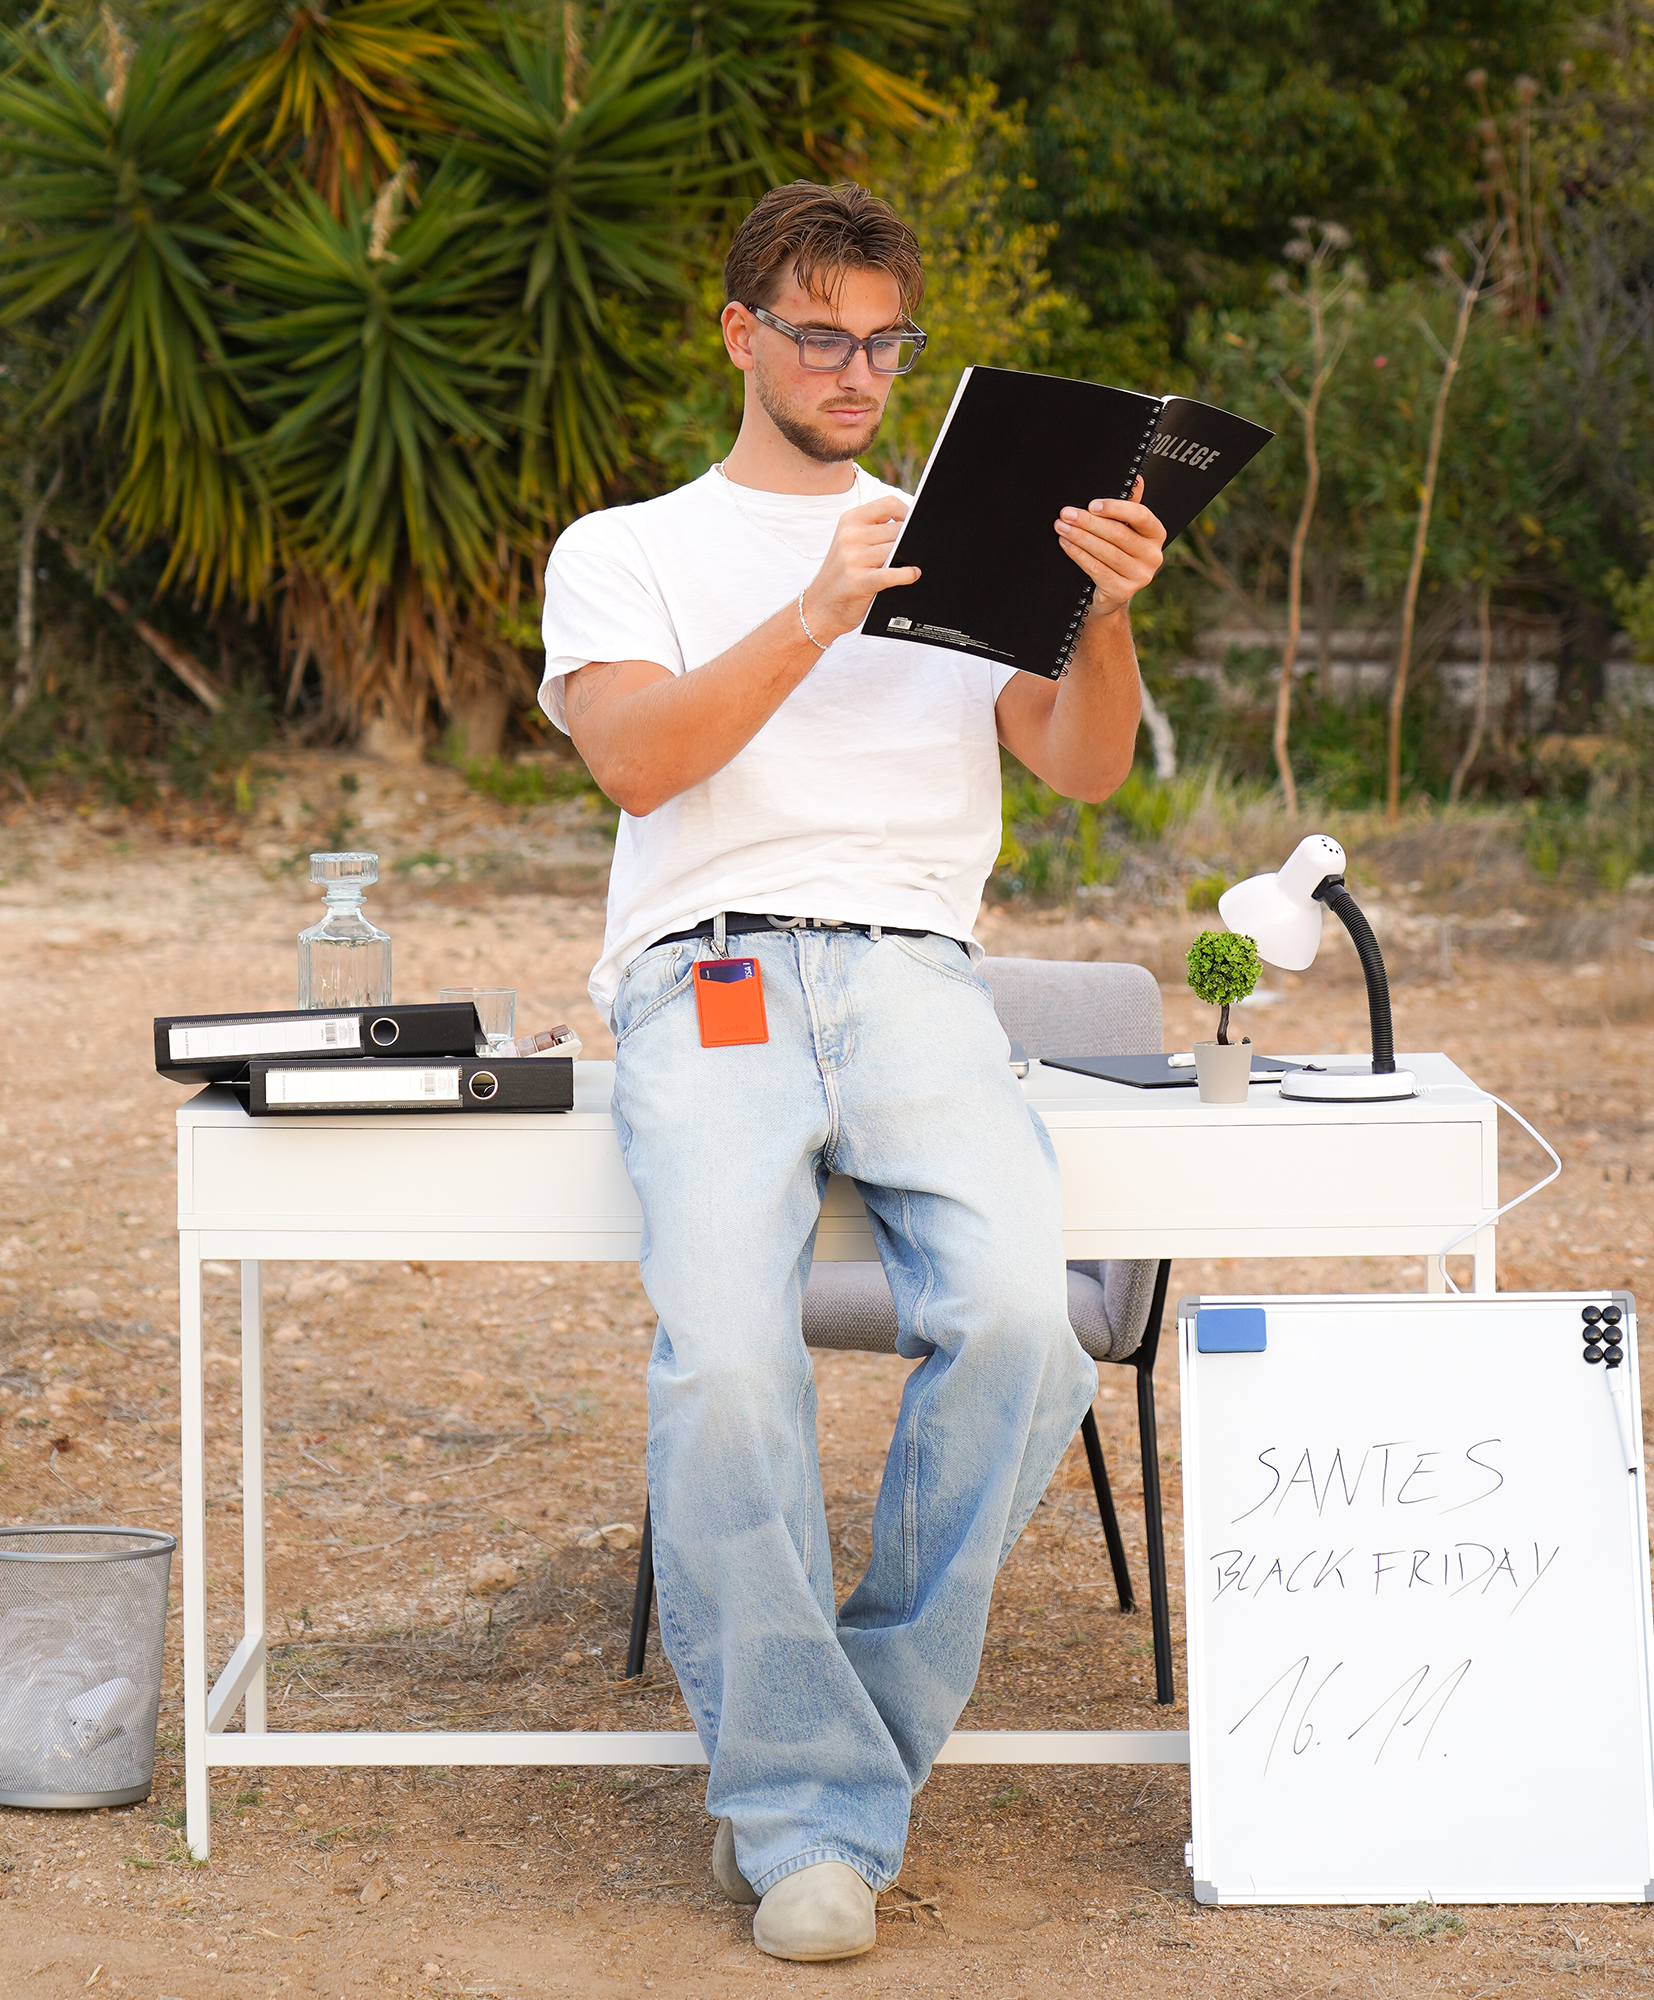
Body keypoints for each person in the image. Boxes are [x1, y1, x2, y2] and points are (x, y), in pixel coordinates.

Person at [538, 180, 1166, 1963]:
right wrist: (817, 610)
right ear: (741, 334)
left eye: (888, 339)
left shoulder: (970, 533)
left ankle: (833, 1774)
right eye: (822, 333)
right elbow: (640, 766)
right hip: (713, 968)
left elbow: (1084, 769)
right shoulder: (628, 546)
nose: (859, 369)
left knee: (1030, 1325)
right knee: (728, 1359)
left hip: (914, 979)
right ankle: (812, 1808)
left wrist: (1100, 611)